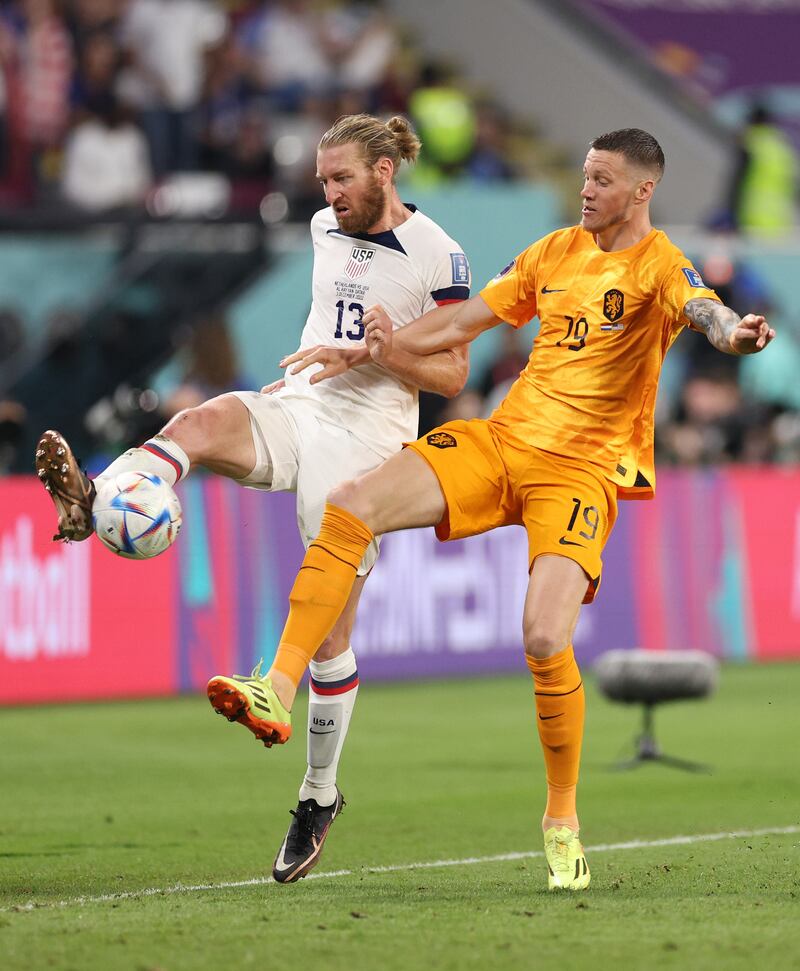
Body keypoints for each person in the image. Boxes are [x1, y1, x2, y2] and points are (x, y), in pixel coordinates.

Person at [208, 128, 775, 891]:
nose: (587, 189)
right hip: (505, 443)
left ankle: (562, 817)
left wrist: (733, 334)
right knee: (351, 505)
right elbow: (461, 324)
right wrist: (372, 349)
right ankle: (274, 686)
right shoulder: (552, 252)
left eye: (603, 179)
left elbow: (705, 311)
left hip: (578, 476)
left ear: (642, 191)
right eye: (584, 173)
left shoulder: (660, 265)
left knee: (543, 637)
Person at [34, 113, 471, 883]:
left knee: (332, 635)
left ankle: (318, 794)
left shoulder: (439, 254)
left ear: (383, 172)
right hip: (299, 405)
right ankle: (96, 500)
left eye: (342, 179)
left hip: (368, 441)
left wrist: (385, 349)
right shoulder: (321, 230)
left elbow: (454, 375)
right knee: (197, 422)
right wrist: (314, 369)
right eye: (323, 181)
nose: (330, 195)